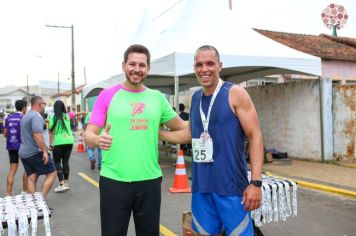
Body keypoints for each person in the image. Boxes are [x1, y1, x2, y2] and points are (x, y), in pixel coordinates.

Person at [160, 45, 264, 235]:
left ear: (219, 66)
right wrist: (157, 133)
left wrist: (256, 183)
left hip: (231, 187)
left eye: (210, 64)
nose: (204, 69)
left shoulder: (235, 93)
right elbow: (190, 135)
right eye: (199, 64)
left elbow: (255, 136)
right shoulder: (195, 98)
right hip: (202, 187)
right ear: (194, 68)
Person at [84, 44, 187, 236]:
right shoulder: (107, 96)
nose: (136, 69)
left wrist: (158, 134)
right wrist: (98, 140)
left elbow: (184, 129)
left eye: (142, 65)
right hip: (114, 181)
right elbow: (88, 135)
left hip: (149, 182)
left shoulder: (157, 98)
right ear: (123, 65)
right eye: (132, 64)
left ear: (148, 69)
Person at [19, 96, 57, 198]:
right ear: (39, 104)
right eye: (44, 104)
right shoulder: (36, 116)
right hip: (34, 152)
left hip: (24, 153)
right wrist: (45, 151)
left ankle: (35, 204)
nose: (44, 106)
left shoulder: (25, 116)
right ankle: (41, 200)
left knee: (31, 177)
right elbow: (37, 135)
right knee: (52, 172)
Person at [3, 100, 28, 196]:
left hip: (11, 146)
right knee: (27, 168)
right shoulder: (24, 118)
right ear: (24, 108)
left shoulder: (8, 118)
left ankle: (9, 193)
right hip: (23, 146)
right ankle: (24, 191)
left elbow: (5, 134)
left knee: (12, 170)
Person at [49, 100, 74, 193]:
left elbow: (51, 132)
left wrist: (50, 144)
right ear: (63, 107)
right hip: (69, 140)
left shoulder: (53, 117)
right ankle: (66, 183)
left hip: (58, 142)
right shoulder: (67, 116)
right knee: (65, 161)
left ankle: (61, 184)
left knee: (57, 162)